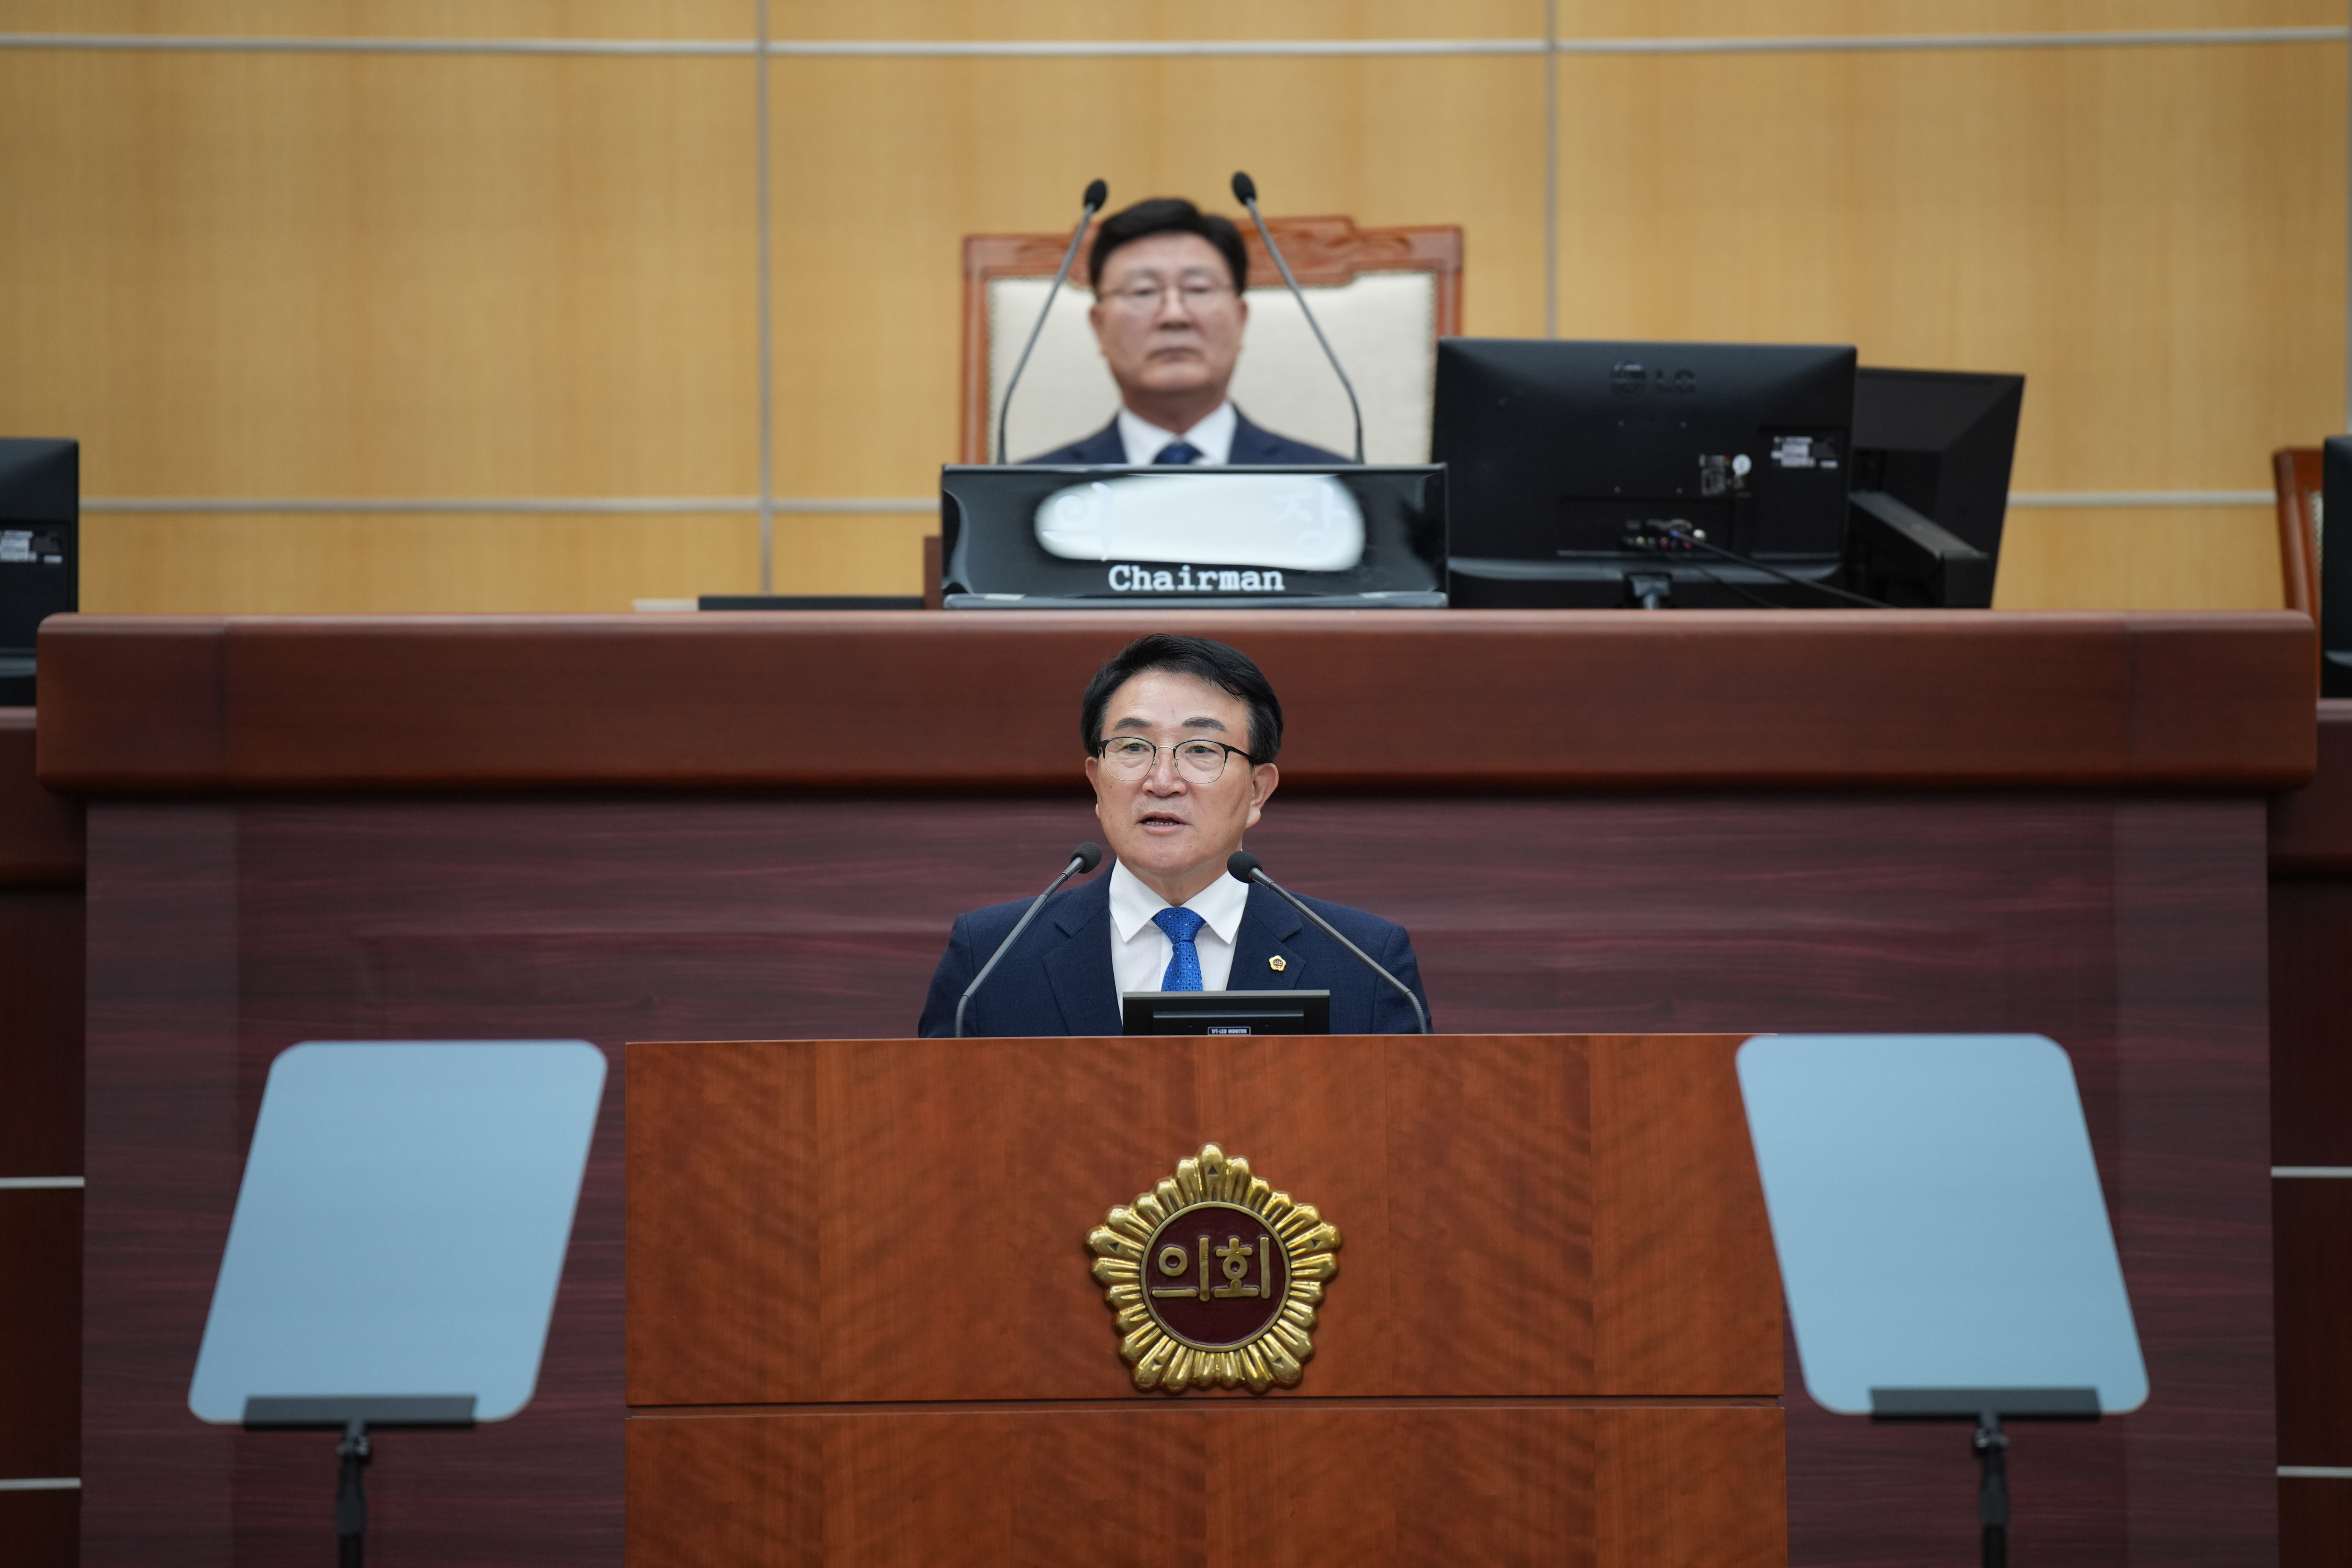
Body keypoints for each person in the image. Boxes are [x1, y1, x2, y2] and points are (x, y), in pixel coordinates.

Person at [918, 634, 1431, 1036]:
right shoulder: (992, 959)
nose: (1162, 781)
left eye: (1202, 750)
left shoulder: (1365, 963)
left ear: (1257, 791)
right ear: (1096, 782)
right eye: (1134, 747)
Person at [1025, 198, 1349, 466]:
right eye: (1143, 292)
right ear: (1099, 327)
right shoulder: (1031, 494)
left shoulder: (1327, 485)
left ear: (1241, 319)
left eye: (1197, 289)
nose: (1174, 315)